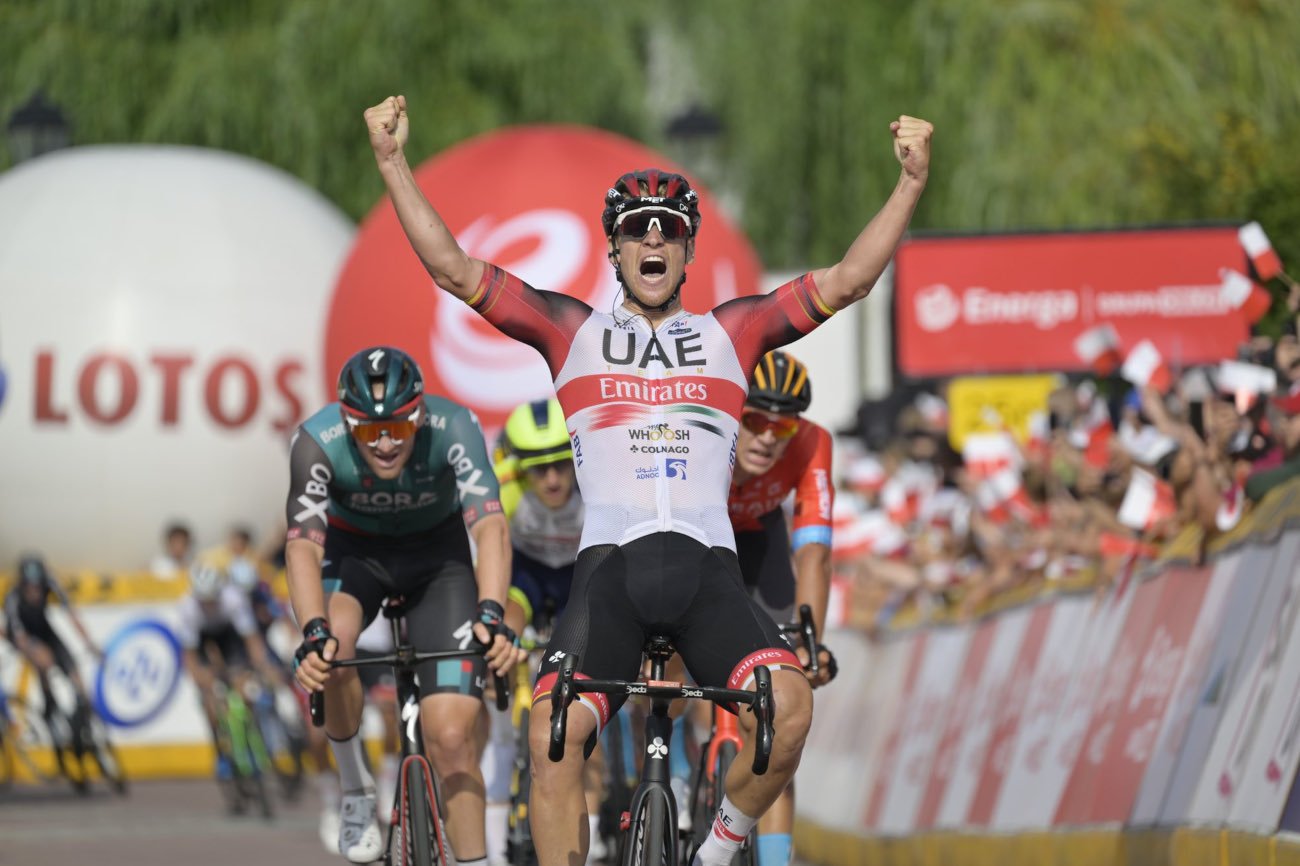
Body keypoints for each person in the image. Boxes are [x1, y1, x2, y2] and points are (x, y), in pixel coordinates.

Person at [364, 93, 931, 866]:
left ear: (689, 252)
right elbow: (454, 269)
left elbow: (851, 279)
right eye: (636, 229)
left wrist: (908, 185)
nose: (653, 238)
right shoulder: (573, 333)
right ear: (616, 250)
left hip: (708, 573)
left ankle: (718, 849)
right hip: (611, 578)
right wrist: (393, 163)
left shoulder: (733, 333)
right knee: (551, 731)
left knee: (790, 708)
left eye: (670, 230)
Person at [288, 345, 527, 865]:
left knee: (452, 739)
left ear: (420, 414)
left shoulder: (453, 424)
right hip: (355, 559)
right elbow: (304, 545)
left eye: (398, 427)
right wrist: (311, 631)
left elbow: (489, 525)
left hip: (437, 560)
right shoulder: (316, 441)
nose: (386, 442)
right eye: (370, 431)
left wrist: (490, 611)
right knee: (333, 649)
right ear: (348, 424)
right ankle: (355, 791)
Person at [724, 350, 838, 866]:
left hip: (760, 545)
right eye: (756, 420)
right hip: (697, 538)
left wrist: (810, 641)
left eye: (784, 425)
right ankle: (678, 754)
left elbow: (813, 550)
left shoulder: (814, 444)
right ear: (733, 413)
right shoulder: (708, 428)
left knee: (776, 722)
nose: (770, 436)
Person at [177, 549, 283, 792]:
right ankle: (222, 751)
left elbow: (251, 640)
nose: (210, 604)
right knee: (211, 703)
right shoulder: (188, 608)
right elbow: (191, 658)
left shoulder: (233, 598)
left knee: (244, 686)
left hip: (229, 637)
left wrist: (261, 667)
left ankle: (252, 738)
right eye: (205, 600)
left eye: (213, 599)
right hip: (202, 642)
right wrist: (204, 685)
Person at [3, 555, 100, 729]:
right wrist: (36, 653)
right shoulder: (12, 597)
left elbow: (72, 615)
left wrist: (90, 643)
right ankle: (49, 701)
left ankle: (83, 712)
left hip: (43, 629)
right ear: (22, 585)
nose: (35, 593)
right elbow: (20, 638)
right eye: (30, 588)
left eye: (38, 588)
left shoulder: (50, 583)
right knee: (44, 660)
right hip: (21, 635)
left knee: (74, 670)